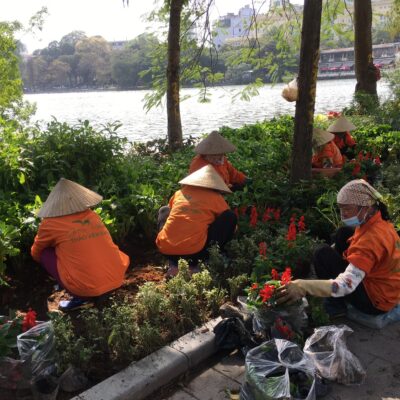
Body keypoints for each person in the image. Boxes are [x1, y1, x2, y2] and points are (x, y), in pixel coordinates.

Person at [276, 179, 400, 319]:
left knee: (321, 253)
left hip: (375, 302)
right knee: (344, 233)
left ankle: (336, 306)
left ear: (365, 207)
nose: (343, 214)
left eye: (347, 209)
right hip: (387, 288)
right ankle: (339, 273)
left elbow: (345, 285)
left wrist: (303, 286)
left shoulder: (370, 241)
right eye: (341, 208)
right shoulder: (380, 222)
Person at [31, 178, 130, 311]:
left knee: (44, 253)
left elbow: (36, 252)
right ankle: (97, 288)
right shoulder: (91, 216)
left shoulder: (50, 223)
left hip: (85, 287)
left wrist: (59, 260)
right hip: (116, 277)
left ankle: (82, 298)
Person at [156, 165, 237, 277]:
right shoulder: (215, 197)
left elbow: (174, 213)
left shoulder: (179, 193)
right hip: (195, 253)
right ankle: (200, 263)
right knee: (230, 217)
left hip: (167, 250)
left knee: (164, 210)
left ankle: (173, 264)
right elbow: (233, 227)